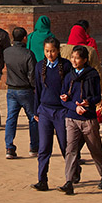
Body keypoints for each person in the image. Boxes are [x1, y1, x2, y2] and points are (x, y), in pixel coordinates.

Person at [59, 45, 102, 195]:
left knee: (95, 149)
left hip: (88, 119)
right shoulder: (69, 76)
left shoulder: (92, 75)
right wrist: (73, 106)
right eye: (72, 57)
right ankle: (69, 180)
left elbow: (97, 97)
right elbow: (63, 97)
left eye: (77, 58)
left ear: (85, 60)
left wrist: (87, 103)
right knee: (71, 150)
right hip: (72, 117)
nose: (74, 61)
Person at [31, 36, 70, 191]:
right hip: (45, 110)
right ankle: (42, 179)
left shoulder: (66, 66)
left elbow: (70, 87)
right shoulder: (40, 66)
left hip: (61, 111)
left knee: (65, 146)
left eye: (52, 51)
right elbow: (37, 90)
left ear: (58, 50)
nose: (50, 54)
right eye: (47, 51)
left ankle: (71, 177)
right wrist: (36, 110)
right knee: (44, 147)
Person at [4, 26, 38, 160]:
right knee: (32, 118)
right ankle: (34, 146)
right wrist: (36, 88)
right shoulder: (28, 54)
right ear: (25, 38)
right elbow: (32, 75)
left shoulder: (7, 52)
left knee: (11, 119)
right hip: (25, 90)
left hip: (11, 89)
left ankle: (9, 147)